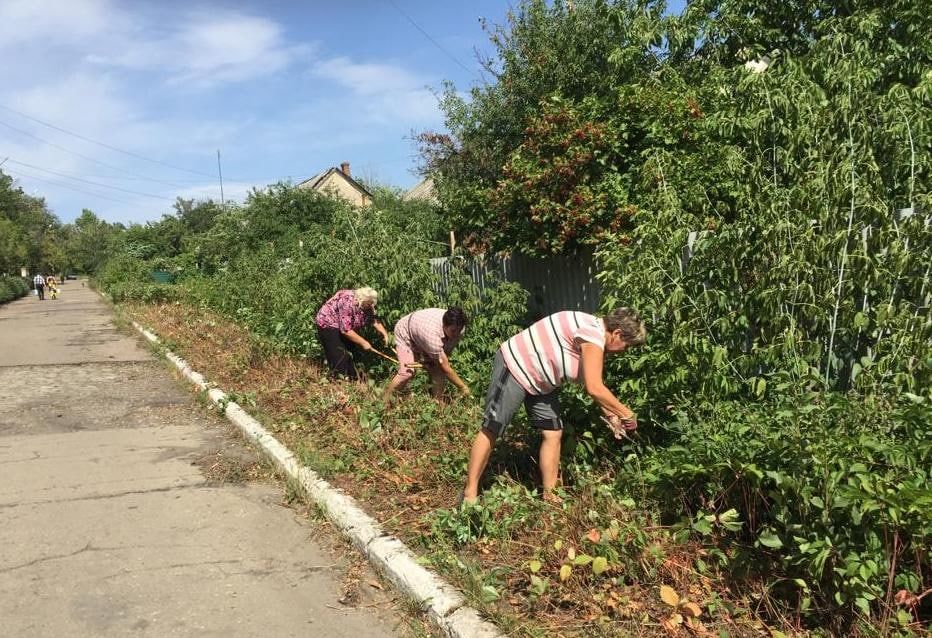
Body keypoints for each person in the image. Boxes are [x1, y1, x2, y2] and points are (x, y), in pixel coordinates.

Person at [462, 307, 646, 504]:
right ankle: (469, 494)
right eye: (626, 346)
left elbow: (589, 381)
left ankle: (550, 497)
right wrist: (627, 414)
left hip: (542, 381)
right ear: (617, 333)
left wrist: (611, 415)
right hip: (517, 366)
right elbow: (594, 387)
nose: (624, 352)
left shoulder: (593, 332)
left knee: (553, 432)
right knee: (493, 427)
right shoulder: (593, 335)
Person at [382, 307, 470, 404]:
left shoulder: (459, 328)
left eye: (459, 330)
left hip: (422, 332)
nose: (456, 334)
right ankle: (385, 402)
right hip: (406, 333)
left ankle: (437, 404)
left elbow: (445, 355)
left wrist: (435, 362)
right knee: (406, 373)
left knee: (437, 370)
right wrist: (462, 387)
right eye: (453, 331)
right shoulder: (433, 337)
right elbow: (445, 366)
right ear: (444, 325)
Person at [315, 286, 390, 380]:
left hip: (345, 326)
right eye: (369, 304)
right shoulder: (347, 302)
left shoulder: (367, 303)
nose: (371, 306)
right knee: (339, 356)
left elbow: (373, 320)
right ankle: (339, 382)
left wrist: (385, 334)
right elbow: (346, 330)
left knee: (352, 353)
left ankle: (352, 379)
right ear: (362, 300)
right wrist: (364, 342)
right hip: (328, 323)